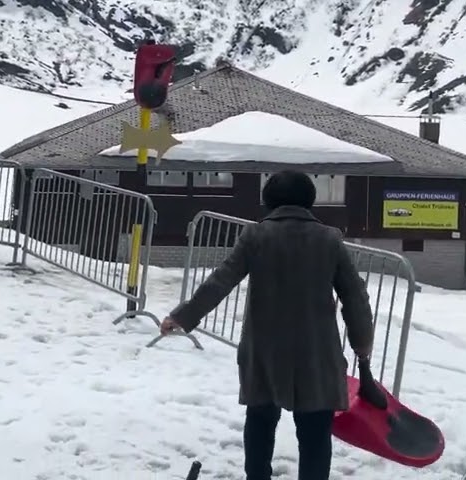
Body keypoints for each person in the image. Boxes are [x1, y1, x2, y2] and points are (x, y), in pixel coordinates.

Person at [159, 170, 375, 480]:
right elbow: (354, 297)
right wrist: (362, 343)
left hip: (264, 353)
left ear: (268, 201)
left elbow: (221, 281)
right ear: (309, 200)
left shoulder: (255, 236)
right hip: (316, 355)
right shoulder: (329, 239)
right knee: (315, 434)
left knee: (260, 423)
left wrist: (183, 315)